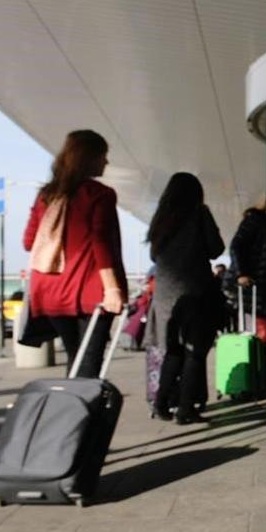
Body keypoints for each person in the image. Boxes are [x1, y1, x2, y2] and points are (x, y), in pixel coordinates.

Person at [23, 130, 127, 377]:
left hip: (51, 291)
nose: (106, 162)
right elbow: (100, 242)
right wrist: (112, 289)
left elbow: (29, 242)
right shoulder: (99, 194)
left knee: (75, 356)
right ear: (89, 158)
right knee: (90, 362)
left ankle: (71, 411)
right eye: (103, 155)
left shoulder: (46, 195)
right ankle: (83, 414)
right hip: (90, 291)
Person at [147, 172, 227, 424]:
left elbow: (154, 256)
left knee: (174, 352)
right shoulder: (199, 213)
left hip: (165, 298)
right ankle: (185, 409)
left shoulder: (161, 219)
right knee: (196, 352)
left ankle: (160, 404)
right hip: (195, 293)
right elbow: (217, 249)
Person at [229, 197, 266, 320]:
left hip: (259, 289)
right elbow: (237, 245)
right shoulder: (256, 219)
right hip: (247, 288)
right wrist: (242, 274)